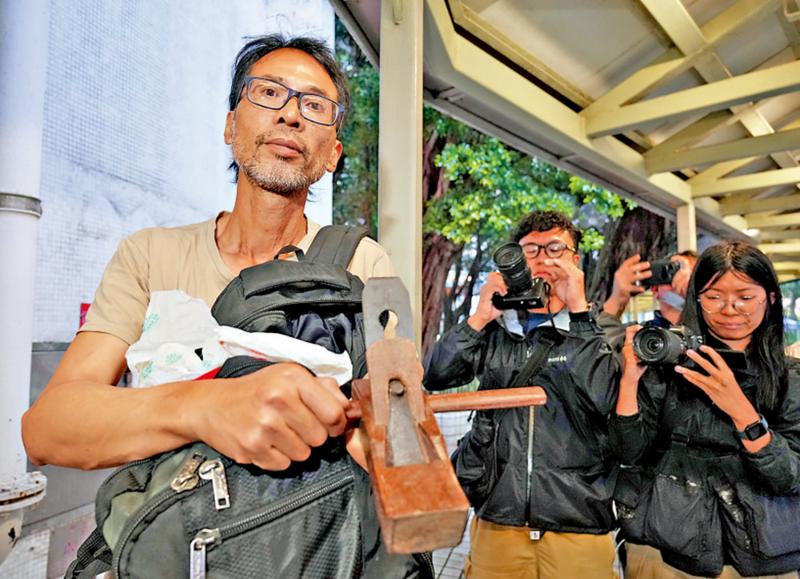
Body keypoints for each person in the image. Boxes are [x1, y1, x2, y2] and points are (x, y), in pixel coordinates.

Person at [22, 35, 393, 474]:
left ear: (333, 154)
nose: (291, 115)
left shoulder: (362, 264)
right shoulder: (150, 256)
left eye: (314, 105)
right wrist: (207, 404)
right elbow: (47, 428)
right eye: (269, 92)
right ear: (230, 127)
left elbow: (396, 426)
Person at [424, 210, 620, 579]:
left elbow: (605, 396)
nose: (543, 259)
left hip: (577, 523)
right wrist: (479, 318)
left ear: (576, 260)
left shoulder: (600, 330)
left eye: (555, 249)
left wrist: (579, 314)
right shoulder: (498, 330)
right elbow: (436, 375)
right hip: (499, 520)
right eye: (530, 250)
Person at [611, 241, 800, 578]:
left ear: (771, 298)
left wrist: (741, 410)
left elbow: (789, 477)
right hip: (669, 549)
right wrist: (629, 380)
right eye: (713, 297)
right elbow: (629, 452)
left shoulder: (790, 377)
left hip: (766, 555)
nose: (729, 309)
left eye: (745, 297)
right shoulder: (669, 365)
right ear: (696, 299)